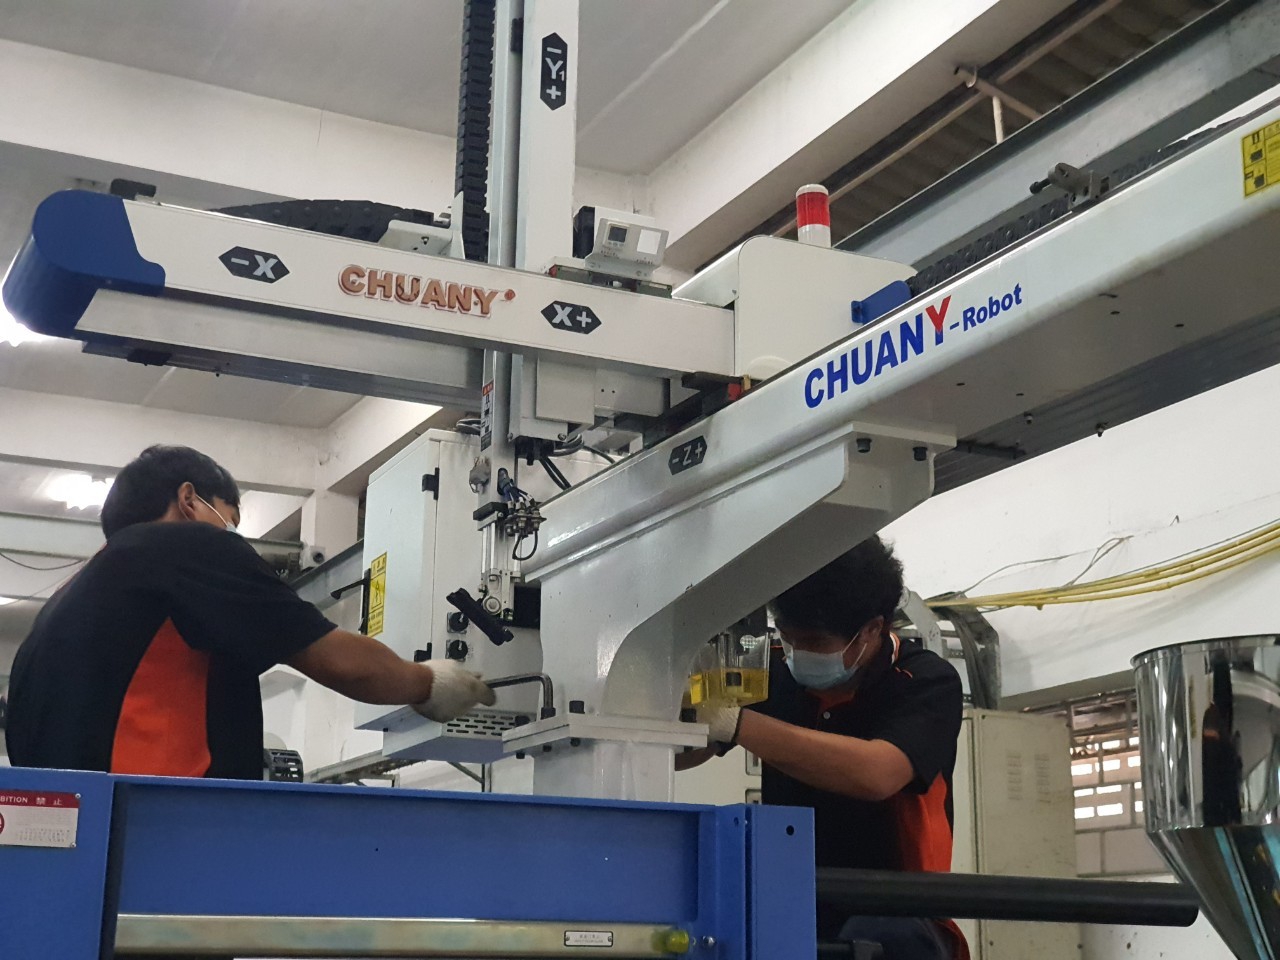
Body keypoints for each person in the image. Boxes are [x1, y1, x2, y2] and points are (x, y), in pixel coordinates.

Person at [4, 445, 495, 779]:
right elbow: (340, 661)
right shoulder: (186, 547)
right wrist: (430, 684)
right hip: (155, 826)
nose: (230, 535)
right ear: (189, 500)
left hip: (67, 836)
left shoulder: (73, 595)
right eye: (229, 520)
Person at [679, 536, 967, 960]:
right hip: (791, 903)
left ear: (872, 629)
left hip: (896, 916)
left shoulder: (923, 681)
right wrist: (670, 715)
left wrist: (734, 723)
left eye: (813, 642)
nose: (797, 653)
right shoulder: (773, 670)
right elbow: (689, 752)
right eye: (788, 638)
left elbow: (878, 773)